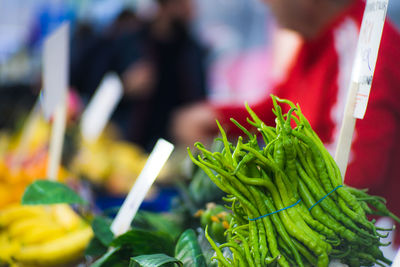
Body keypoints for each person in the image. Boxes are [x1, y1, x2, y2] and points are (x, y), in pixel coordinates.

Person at [171, 0, 400, 245]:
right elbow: (281, 108)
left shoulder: (360, 41)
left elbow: (356, 168)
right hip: (319, 235)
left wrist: (264, 191)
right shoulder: (317, 42)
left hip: (366, 244)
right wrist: (215, 117)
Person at [116, 0, 207, 151]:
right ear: (165, 5)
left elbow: (200, 100)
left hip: (177, 148)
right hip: (131, 145)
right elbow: (96, 86)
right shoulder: (131, 42)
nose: (191, 8)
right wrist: (124, 86)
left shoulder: (192, 49)